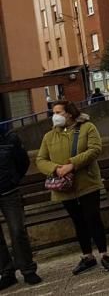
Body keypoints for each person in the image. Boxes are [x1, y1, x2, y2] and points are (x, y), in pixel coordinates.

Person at [36, 101, 109, 275]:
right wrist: (55, 169)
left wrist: (72, 164)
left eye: (58, 112)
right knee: (78, 221)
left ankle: (104, 254)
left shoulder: (87, 128)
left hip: (87, 182)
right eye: (53, 112)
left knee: (93, 217)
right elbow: (40, 160)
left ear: (70, 113)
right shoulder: (49, 136)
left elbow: (95, 149)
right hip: (64, 187)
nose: (55, 116)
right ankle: (87, 256)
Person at [0, 122, 40, 289]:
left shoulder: (9, 138)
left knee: (17, 230)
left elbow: (23, 162)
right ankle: (6, 272)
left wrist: (14, 179)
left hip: (9, 191)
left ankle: (28, 269)